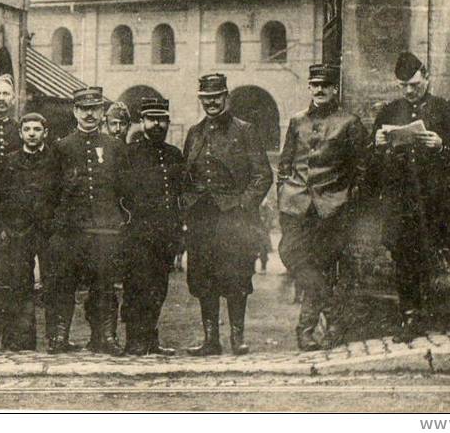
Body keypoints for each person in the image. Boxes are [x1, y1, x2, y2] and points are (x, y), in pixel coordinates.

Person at [370, 53, 450, 341]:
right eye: (404, 86)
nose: (410, 91)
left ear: (427, 78)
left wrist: (440, 145)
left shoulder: (445, 110)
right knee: (404, 257)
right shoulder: (389, 112)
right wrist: (376, 143)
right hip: (404, 201)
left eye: (414, 84)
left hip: (439, 200)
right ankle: (410, 317)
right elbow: (373, 161)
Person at [277, 64, 367, 351]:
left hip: (331, 208)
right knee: (290, 253)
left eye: (325, 85)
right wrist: (285, 191)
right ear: (309, 87)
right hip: (296, 206)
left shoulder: (350, 123)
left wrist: (347, 199)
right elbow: (285, 164)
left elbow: (362, 168)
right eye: (314, 85)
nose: (319, 90)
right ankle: (334, 317)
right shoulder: (296, 122)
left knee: (322, 266)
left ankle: (305, 331)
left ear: (334, 88)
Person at [182, 74, 273, 356]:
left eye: (216, 97)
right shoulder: (194, 133)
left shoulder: (245, 131)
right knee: (203, 278)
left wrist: (243, 205)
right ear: (200, 99)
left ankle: (237, 339)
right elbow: (186, 176)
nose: (211, 102)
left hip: (234, 219)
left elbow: (263, 175)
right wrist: (188, 205)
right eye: (205, 98)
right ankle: (211, 340)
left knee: (235, 278)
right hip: (202, 220)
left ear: (226, 97)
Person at [46, 87, 131, 356]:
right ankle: (60, 336)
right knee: (64, 283)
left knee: (105, 284)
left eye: (95, 109)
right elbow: (53, 191)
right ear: (75, 112)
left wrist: (120, 222)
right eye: (84, 109)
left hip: (106, 228)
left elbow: (123, 190)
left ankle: (105, 336)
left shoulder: (115, 147)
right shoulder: (62, 146)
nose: (90, 114)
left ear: (102, 112)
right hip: (72, 228)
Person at [0, 112, 60, 351]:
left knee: (53, 281)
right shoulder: (9, 161)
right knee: (19, 282)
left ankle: (55, 338)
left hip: (48, 230)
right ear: (20, 134)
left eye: (37, 129)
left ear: (45, 133)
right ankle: (22, 339)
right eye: (27, 129)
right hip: (19, 230)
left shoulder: (55, 160)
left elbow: (62, 193)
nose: (31, 133)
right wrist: (5, 227)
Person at [122, 98, 183, 356]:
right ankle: (135, 340)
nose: (157, 124)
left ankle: (151, 339)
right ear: (142, 122)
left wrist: (180, 231)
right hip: (138, 233)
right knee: (137, 287)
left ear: (167, 122)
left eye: (162, 119)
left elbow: (180, 195)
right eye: (151, 119)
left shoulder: (174, 154)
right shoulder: (130, 153)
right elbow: (122, 194)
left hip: (166, 233)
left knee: (159, 287)